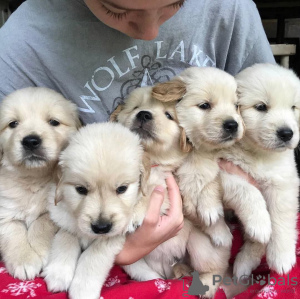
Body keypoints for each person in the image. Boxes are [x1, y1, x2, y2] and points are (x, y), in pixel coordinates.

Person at [0, 0, 275, 265]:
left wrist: (234, 184)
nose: (149, 32)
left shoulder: (231, 8)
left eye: (176, 4)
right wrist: (120, 251)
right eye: (115, 10)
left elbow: (272, 120)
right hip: (98, 240)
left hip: (227, 230)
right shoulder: (22, 39)